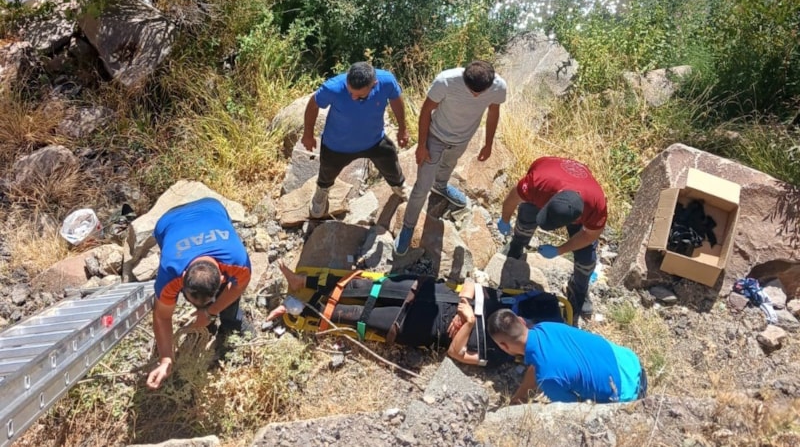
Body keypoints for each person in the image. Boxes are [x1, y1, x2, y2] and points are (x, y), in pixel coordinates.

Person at [268, 263, 565, 366]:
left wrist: (469, 323)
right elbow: (474, 284)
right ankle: (302, 283)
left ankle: (295, 308)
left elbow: (457, 353)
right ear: (523, 322)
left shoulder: (498, 354)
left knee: (357, 315)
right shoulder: (504, 312)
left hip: (420, 327)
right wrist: (464, 303)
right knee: (367, 287)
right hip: (434, 296)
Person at [395, 60, 507, 255]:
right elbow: (426, 110)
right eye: (472, 90)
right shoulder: (446, 81)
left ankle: (441, 186)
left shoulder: (498, 87)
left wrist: (488, 143)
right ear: (464, 78)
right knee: (421, 187)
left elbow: (493, 112)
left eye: (480, 93)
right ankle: (408, 227)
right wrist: (421, 146)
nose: (475, 95)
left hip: (463, 138)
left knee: (448, 166)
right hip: (436, 136)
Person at [147, 197, 252, 390]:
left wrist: (211, 311)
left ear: (222, 279)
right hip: (167, 222)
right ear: (183, 277)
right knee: (202, 299)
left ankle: (230, 323)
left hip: (212, 208)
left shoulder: (237, 260)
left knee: (224, 302)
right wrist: (166, 359)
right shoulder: (170, 273)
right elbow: (162, 316)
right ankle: (208, 326)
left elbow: (237, 287)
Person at [496, 156, 607, 323]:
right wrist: (505, 220)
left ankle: (578, 289)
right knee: (526, 217)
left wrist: (559, 250)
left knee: (587, 259)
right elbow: (512, 198)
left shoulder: (596, 206)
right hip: (548, 175)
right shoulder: (538, 184)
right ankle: (517, 245)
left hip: (582, 197)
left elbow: (590, 236)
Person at [302, 61, 410, 218]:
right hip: (337, 145)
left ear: (374, 84)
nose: (352, 97)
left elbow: (396, 99)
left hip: (374, 140)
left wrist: (402, 128)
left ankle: (399, 186)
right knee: (327, 172)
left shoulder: (386, 81)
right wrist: (308, 134)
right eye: (350, 91)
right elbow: (313, 104)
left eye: (359, 95)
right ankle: (322, 191)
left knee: (390, 159)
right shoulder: (333, 87)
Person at [487, 309, 647, 404]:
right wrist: (519, 397)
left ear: (504, 346)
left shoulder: (548, 377)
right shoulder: (546, 327)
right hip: (631, 362)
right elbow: (535, 368)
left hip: (629, 394)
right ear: (522, 321)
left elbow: (573, 412)